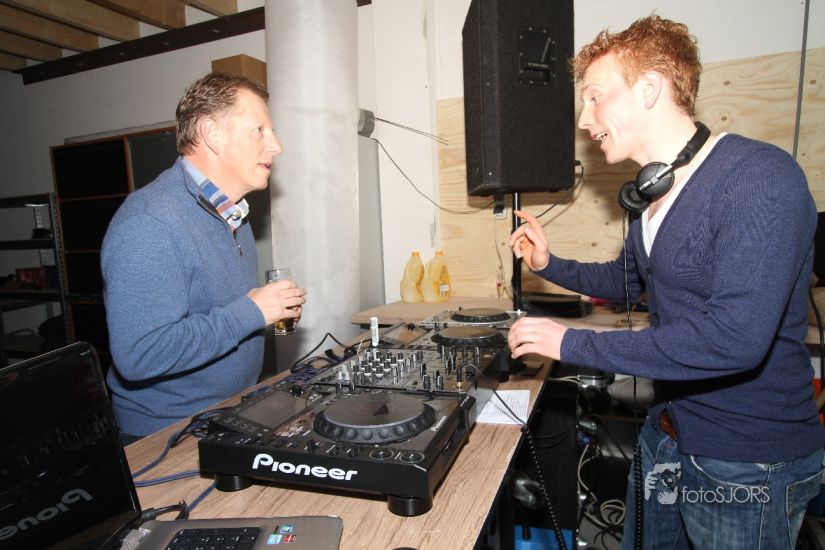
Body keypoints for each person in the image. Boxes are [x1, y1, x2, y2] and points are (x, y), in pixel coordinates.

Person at [507, 15, 824, 549]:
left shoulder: (759, 178)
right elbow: (627, 279)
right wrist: (548, 264)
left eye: (595, 98)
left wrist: (573, 343)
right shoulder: (648, 198)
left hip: (744, 461)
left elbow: (733, 339)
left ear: (649, 88)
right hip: (668, 434)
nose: (585, 119)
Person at [102, 72, 306, 443]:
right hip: (164, 434)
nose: (276, 146)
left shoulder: (235, 216)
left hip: (227, 412)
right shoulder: (148, 223)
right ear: (212, 134)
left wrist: (266, 309)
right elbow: (140, 355)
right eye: (259, 130)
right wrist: (252, 312)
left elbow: (218, 316)